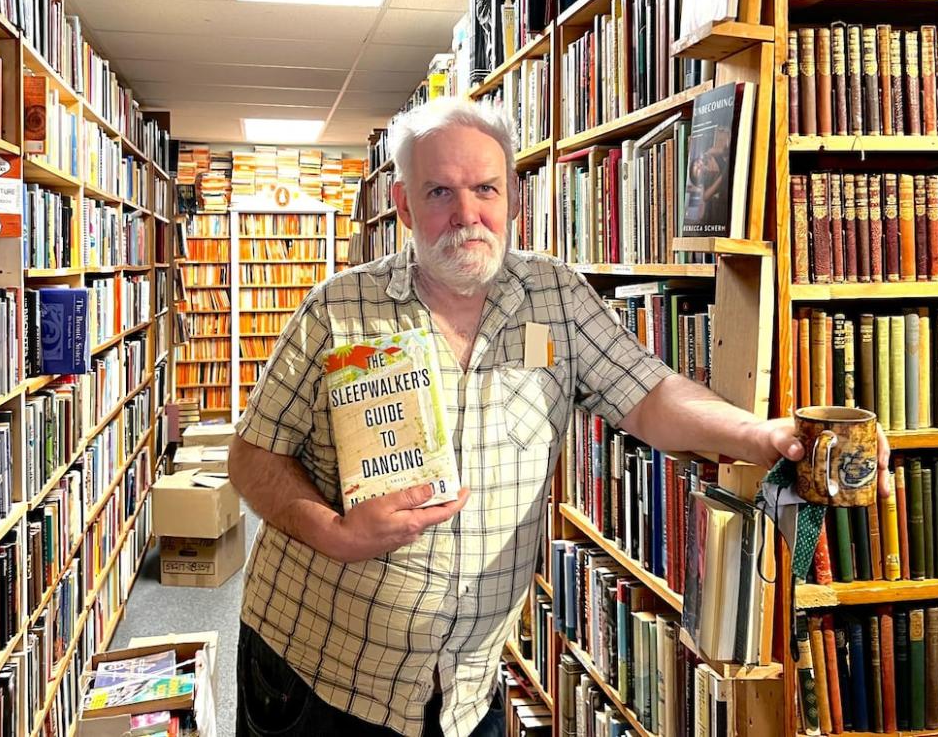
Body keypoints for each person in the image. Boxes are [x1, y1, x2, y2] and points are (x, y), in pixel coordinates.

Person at [227, 97, 889, 737]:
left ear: (513, 195)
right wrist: (337, 532)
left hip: (464, 692)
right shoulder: (336, 311)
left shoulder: (555, 297)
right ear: (401, 203)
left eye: (485, 189)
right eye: (439, 194)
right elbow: (252, 458)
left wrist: (762, 434)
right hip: (317, 672)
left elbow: (651, 394)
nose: (467, 215)